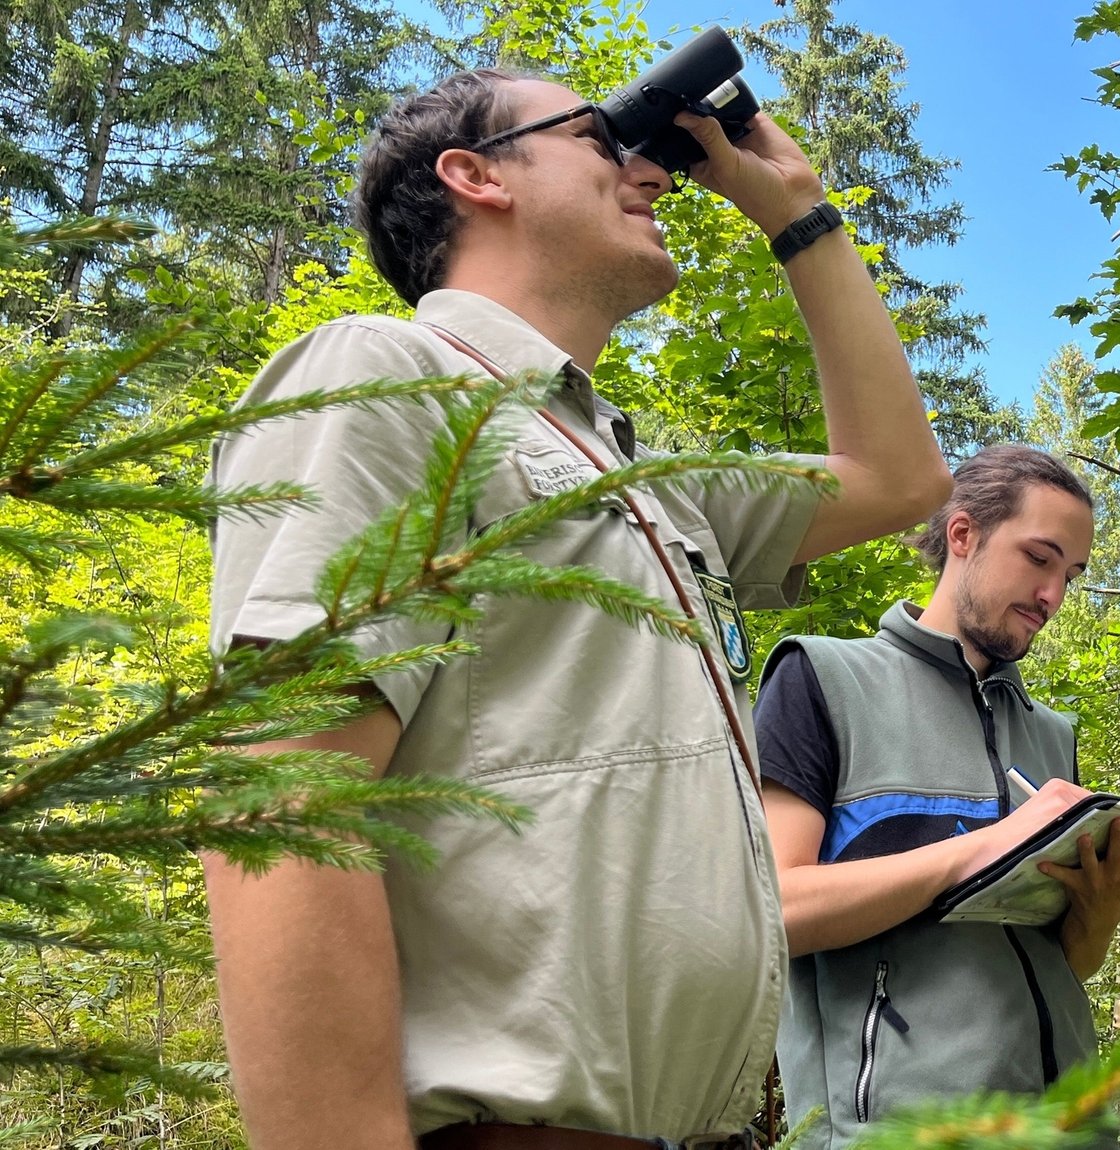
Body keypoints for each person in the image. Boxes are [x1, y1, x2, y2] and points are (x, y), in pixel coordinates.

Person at [203, 66, 952, 1150]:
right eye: (602, 139)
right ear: (471, 177)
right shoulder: (392, 374)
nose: (649, 165)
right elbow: (284, 792)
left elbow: (898, 476)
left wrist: (795, 211)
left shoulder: (647, 489)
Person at [756, 445, 1120, 1147]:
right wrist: (989, 846)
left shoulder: (1050, 736)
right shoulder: (823, 680)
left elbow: (1060, 962)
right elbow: (773, 911)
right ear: (963, 536)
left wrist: (1102, 903)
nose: (1054, 596)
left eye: (1071, 575)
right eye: (1039, 558)